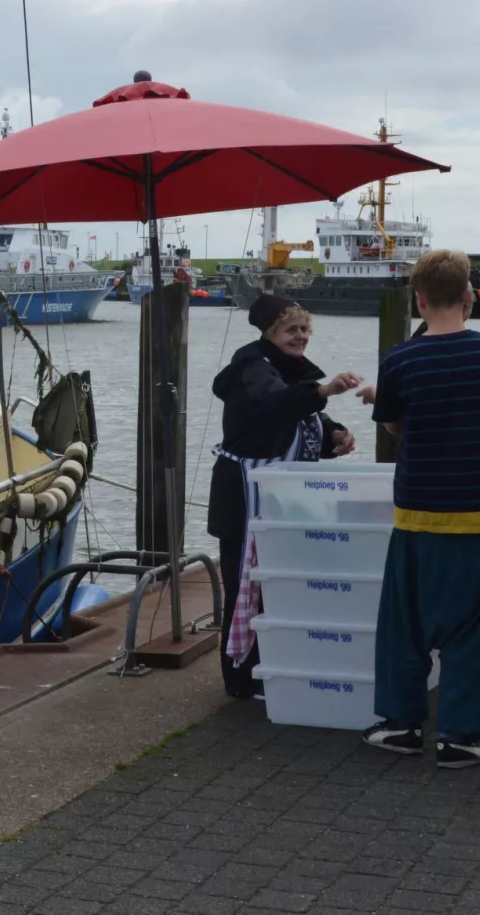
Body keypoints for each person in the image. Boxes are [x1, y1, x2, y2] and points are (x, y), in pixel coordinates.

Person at [363, 249, 480, 768]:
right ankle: (459, 737)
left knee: (404, 625)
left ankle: (401, 725)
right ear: (468, 296)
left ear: (419, 300)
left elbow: (393, 427)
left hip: (416, 512)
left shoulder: (399, 360)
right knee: (476, 630)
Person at [208, 294, 362, 699]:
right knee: (247, 584)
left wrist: (336, 436)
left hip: (281, 500)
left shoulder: (289, 371)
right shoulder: (253, 368)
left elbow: (307, 419)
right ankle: (242, 677)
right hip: (244, 497)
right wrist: (325, 388)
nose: (301, 336)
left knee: (280, 584)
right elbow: (273, 403)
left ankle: (276, 666)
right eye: (292, 329)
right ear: (269, 332)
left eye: (306, 329)